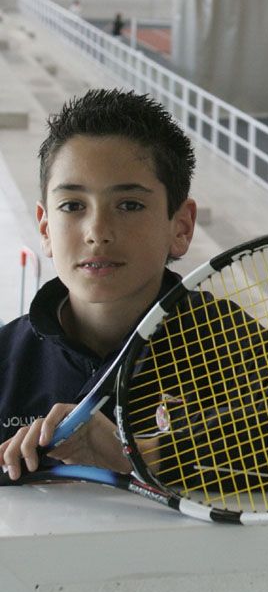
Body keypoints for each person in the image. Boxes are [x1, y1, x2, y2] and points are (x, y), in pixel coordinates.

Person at [0, 89, 197, 480]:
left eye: (129, 205)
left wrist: (141, 453)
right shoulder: (7, 362)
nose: (97, 232)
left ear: (181, 226)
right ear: (45, 227)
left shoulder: (236, 348)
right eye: (73, 206)